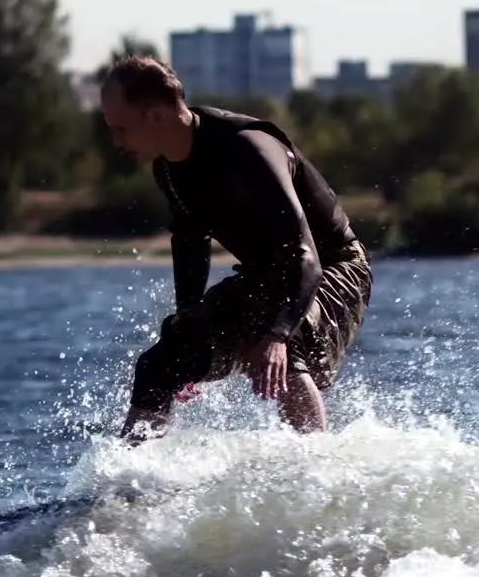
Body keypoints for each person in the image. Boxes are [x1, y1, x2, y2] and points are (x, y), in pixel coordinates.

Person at [99, 55, 372, 440]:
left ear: (156, 116)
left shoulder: (248, 150)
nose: (116, 142)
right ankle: (128, 486)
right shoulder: (169, 169)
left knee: (285, 347)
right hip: (269, 276)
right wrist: (188, 325)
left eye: (122, 129)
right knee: (160, 363)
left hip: (332, 267)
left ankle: (317, 471)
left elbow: (304, 257)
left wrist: (277, 335)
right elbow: (191, 244)